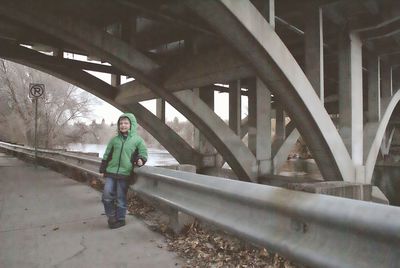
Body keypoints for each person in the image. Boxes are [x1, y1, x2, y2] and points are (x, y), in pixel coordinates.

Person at [99, 112, 148, 229]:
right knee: (106, 196)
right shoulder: (114, 140)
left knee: (121, 198)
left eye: (126, 123)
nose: (123, 125)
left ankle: (120, 219)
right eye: (121, 123)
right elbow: (106, 155)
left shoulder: (138, 140)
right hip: (111, 172)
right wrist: (102, 169)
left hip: (125, 173)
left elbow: (143, 153)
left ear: (132, 125)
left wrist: (140, 160)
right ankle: (111, 217)